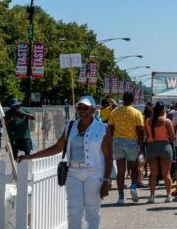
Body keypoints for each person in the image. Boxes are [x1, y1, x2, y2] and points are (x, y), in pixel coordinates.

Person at [20, 95, 113, 229]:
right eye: (79, 107)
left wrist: (106, 180)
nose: (82, 110)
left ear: (93, 110)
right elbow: (57, 147)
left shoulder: (102, 129)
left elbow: (109, 157)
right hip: (73, 173)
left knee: (92, 211)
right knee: (73, 212)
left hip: (94, 173)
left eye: (86, 108)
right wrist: (30, 157)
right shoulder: (70, 126)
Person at [108, 91, 145, 204]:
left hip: (117, 142)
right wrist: (141, 148)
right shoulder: (137, 113)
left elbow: (110, 129)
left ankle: (120, 197)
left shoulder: (115, 112)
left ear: (123, 99)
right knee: (134, 168)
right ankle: (133, 186)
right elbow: (140, 132)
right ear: (133, 99)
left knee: (121, 171)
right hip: (131, 142)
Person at [144, 101, 175, 203]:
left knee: (153, 174)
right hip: (164, 147)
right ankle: (168, 195)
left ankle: (152, 196)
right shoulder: (167, 122)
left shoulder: (148, 121)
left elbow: (147, 137)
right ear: (163, 110)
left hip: (151, 147)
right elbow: (172, 137)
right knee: (166, 173)